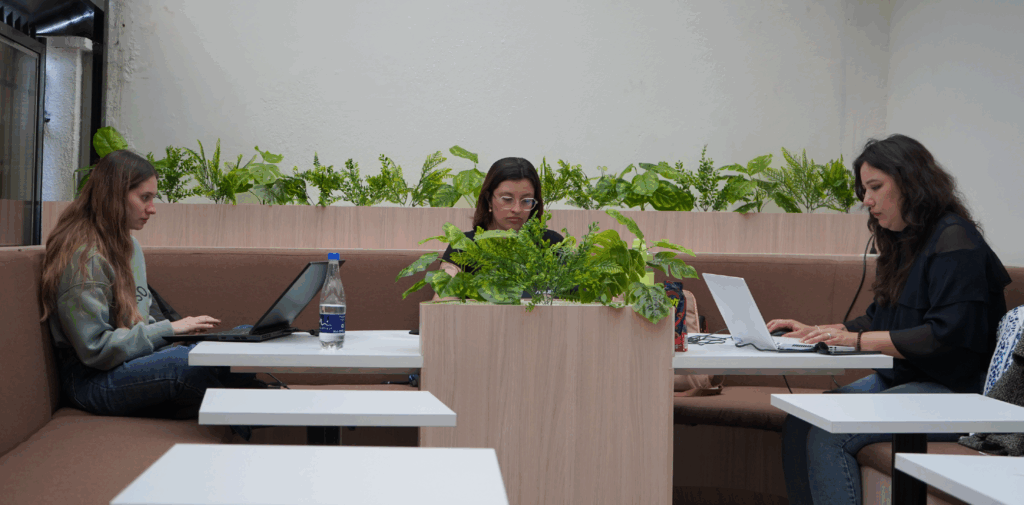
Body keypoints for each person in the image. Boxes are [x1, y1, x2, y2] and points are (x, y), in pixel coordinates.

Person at [766, 134, 1012, 505]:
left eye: (875, 187)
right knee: (802, 421)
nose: (866, 200)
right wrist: (823, 331)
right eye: (864, 190)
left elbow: (944, 337)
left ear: (911, 182)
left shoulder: (956, 240)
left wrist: (856, 341)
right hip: (909, 379)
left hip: (957, 392)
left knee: (829, 433)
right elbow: (878, 319)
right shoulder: (903, 241)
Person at [40, 150, 258, 427]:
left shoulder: (129, 246)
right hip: (91, 379)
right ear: (115, 196)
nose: (152, 209)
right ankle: (256, 417)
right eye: (145, 198)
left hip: (131, 362)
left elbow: (139, 320)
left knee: (242, 338)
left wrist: (173, 336)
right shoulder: (85, 260)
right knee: (184, 364)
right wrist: (170, 330)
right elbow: (95, 351)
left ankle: (259, 406)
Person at [436, 157, 564, 299]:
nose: (517, 209)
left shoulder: (552, 244)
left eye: (526, 201)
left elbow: (575, 299)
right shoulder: (463, 246)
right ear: (489, 200)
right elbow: (441, 304)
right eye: (507, 199)